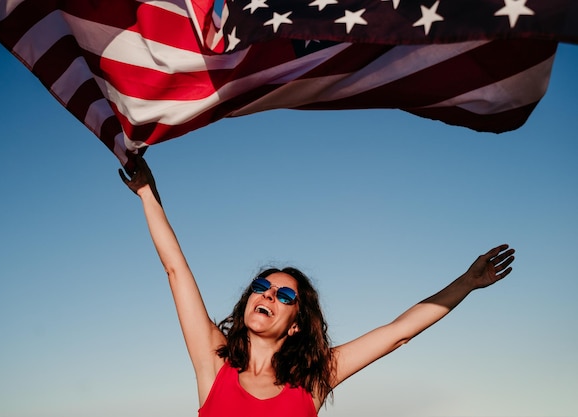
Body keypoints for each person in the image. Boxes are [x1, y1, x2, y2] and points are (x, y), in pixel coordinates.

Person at [119, 156, 515, 417]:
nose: (269, 294)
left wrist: (467, 282)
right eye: (262, 286)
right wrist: (147, 195)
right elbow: (176, 270)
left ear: (295, 323)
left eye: (285, 295)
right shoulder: (214, 363)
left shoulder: (315, 376)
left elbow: (398, 334)